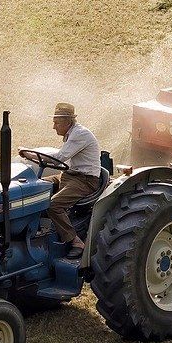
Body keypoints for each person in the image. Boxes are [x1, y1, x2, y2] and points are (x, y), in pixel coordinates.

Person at [42, 102, 103, 259]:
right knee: (37, 188)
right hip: (70, 175)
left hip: (85, 180)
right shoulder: (71, 133)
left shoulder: (80, 134)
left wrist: (36, 156)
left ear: (68, 122)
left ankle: (76, 242)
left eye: (56, 123)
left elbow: (60, 158)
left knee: (54, 205)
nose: (53, 127)